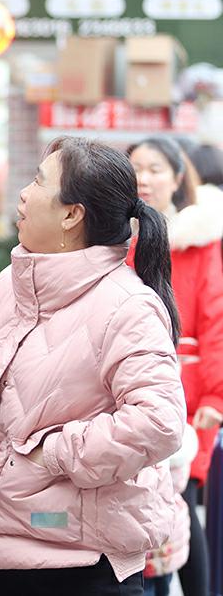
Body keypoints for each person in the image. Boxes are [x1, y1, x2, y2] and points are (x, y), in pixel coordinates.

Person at [0, 136, 186, 596]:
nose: (23, 195)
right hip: (5, 546)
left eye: (37, 181)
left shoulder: (127, 306)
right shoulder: (13, 283)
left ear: (72, 215)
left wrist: (50, 452)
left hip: (81, 565)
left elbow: (159, 421)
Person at [129, 136, 223, 596]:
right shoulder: (116, 237)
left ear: (178, 177)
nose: (144, 179)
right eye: (136, 169)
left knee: (178, 501)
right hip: (127, 391)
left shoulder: (199, 239)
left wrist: (215, 397)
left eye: (155, 169)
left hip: (184, 392)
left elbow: (216, 320)